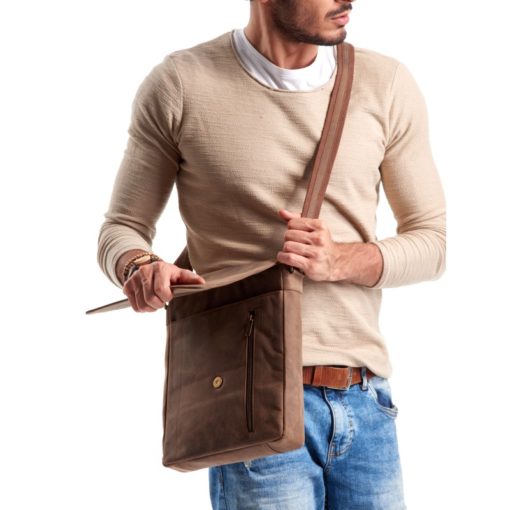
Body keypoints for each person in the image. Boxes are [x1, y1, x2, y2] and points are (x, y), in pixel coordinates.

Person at [96, 0, 446, 508]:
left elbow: (432, 242)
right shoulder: (180, 84)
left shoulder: (385, 83)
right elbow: (121, 228)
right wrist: (139, 267)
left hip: (366, 400)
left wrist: (341, 260)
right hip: (249, 404)